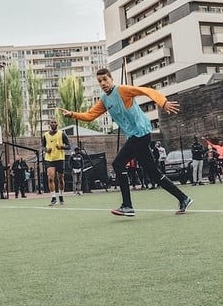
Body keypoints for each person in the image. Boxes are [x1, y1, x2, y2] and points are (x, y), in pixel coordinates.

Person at [59, 69, 191, 218]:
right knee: (154, 174)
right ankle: (183, 198)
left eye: (105, 79)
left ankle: (127, 205)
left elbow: (147, 91)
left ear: (111, 79)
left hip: (140, 133)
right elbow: (90, 116)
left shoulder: (123, 90)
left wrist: (163, 102)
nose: (102, 83)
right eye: (99, 81)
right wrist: (72, 114)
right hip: (135, 137)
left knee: (118, 164)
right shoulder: (104, 100)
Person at [43, 119, 69, 206]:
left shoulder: (62, 133)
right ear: (49, 124)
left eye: (55, 122)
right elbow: (42, 147)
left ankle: (61, 195)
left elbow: (69, 146)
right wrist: (46, 150)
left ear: (57, 123)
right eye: (52, 122)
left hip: (60, 158)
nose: (53, 123)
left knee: (60, 179)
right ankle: (53, 198)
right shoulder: (45, 135)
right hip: (50, 159)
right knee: (50, 178)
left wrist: (61, 147)